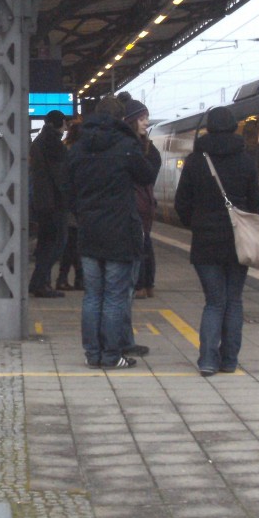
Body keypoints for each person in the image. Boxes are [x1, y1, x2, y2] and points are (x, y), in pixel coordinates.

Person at [174, 105, 259, 377]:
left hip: (205, 241)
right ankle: (229, 361)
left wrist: (196, 224)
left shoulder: (195, 161)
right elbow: (256, 205)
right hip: (240, 241)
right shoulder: (245, 161)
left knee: (214, 301)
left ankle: (207, 361)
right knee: (234, 300)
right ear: (234, 127)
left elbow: (182, 203)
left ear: (208, 128)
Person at [65, 95, 158, 369]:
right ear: (120, 119)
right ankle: (111, 355)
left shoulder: (79, 147)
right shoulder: (126, 146)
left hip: (89, 230)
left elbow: (66, 187)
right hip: (119, 230)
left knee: (92, 295)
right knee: (115, 296)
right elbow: (146, 176)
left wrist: (82, 211)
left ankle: (92, 354)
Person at [118, 92, 161, 300]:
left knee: (140, 246)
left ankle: (141, 284)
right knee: (144, 245)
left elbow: (146, 175)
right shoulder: (144, 147)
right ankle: (145, 284)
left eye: (146, 118)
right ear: (132, 121)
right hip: (143, 205)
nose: (146, 122)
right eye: (142, 119)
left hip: (137, 205)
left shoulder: (138, 147)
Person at [29, 110, 69, 298]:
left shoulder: (39, 141)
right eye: (64, 123)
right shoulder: (53, 144)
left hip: (42, 201)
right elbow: (60, 176)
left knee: (46, 243)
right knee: (55, 244)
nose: (66, 127)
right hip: (54, 203)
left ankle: (40, 282)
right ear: (59, 123)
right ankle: (40, 283)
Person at [55, 118, 83, 291]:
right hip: (75, 204)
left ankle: (70, 278)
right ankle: (67, 278)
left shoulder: (66, 149)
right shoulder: (78, 153)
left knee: (72, 244)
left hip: (67, 203)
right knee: (74, 244)